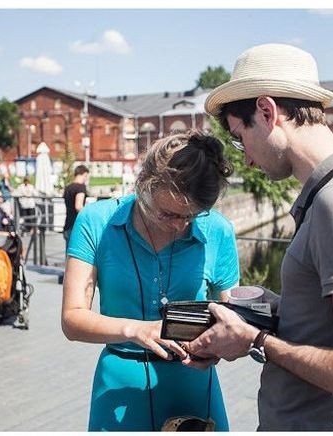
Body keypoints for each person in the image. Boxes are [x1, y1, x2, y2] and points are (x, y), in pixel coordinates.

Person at [186, 43, 333, 431]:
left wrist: (254, 340)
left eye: (240, 137)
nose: (245, 158)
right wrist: (288, 308)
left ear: (267, 112)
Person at [61, 131, 239, 431]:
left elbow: (233, 316)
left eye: (192, 215)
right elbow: (72, 319)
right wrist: (135, 329)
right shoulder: (96, 221)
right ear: (143, 185)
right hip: (119, 385)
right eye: (168, 213)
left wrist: (220, 346)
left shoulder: (218, 230)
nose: (180, 225)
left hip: (195, 387)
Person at [61, 164, 89, 248]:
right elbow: (78, 206)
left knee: (68, 255)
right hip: (76, 226)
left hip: (67, 224)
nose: (86, 178)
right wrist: (88, 216)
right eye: (86, 176)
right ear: (83, 174)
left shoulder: (68, 187)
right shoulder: (80, 188)